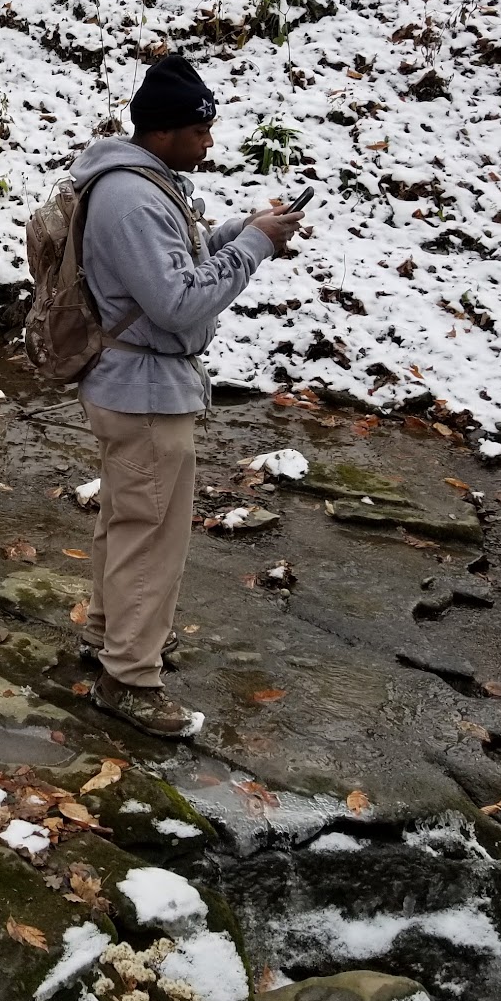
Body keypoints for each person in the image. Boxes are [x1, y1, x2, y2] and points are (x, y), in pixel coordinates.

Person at [71, 55, 304, 737]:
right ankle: (131, 682)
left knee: (127, 519)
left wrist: (239, 232)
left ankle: (112, 638)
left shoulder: (143, 183)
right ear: (165, 132)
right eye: (201, 131)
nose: (210, 142)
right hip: (142, 391)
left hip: (135, 384)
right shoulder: (134, 197)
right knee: (153, 536)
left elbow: (178, 263)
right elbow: (177, 301)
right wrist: (256, 248)